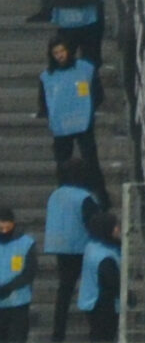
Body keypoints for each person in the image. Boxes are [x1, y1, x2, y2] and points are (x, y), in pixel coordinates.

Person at [37, 37, 106, 196]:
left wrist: (88, 109)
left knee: (91, 161)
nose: (60, 55)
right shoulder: (47, 76)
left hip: (83, 123)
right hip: (61, 126)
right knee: (63, 164)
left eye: (62, 51)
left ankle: (98, 195)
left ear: (68, 51)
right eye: (56, 53)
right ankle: (65, 193)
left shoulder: (85, 69)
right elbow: (43, 100)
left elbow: (98, 92)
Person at [44, 161, 101, 343]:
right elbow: (93, 223)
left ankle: (58, 334)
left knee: (64, 292)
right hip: (80, 247)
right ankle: (95, 330)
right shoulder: (84, 197)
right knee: (90, 290)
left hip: (59, 247)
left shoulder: (56, 194)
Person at [77, 213, 118, 343]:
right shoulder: (105, 256)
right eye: (115, 226)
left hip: (91, 301)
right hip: (102, 303)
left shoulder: (92, 246)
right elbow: (113, 282)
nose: (118, 229)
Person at [0, 208, 38, 343]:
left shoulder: (26, 243)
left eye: (7, 227)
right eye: (1, 228)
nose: (4, 231)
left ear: (13, 224)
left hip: (18, 302)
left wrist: (9, 288)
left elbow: (29, 271)